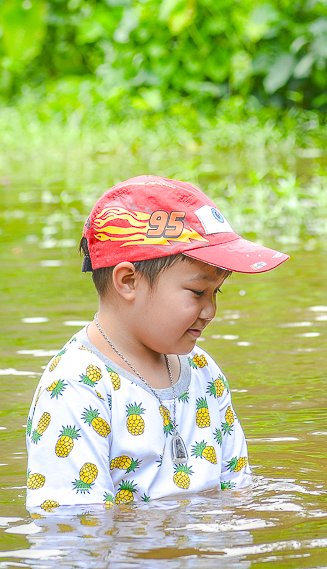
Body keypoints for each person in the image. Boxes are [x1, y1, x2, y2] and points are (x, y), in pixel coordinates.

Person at [23, 175, 287, 511]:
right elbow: (76, 521)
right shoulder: (77, 386)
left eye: (216, 292)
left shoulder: (203, 371)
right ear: (128, 281)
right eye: (197, 292)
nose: (211, 311)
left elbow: (237, 489)